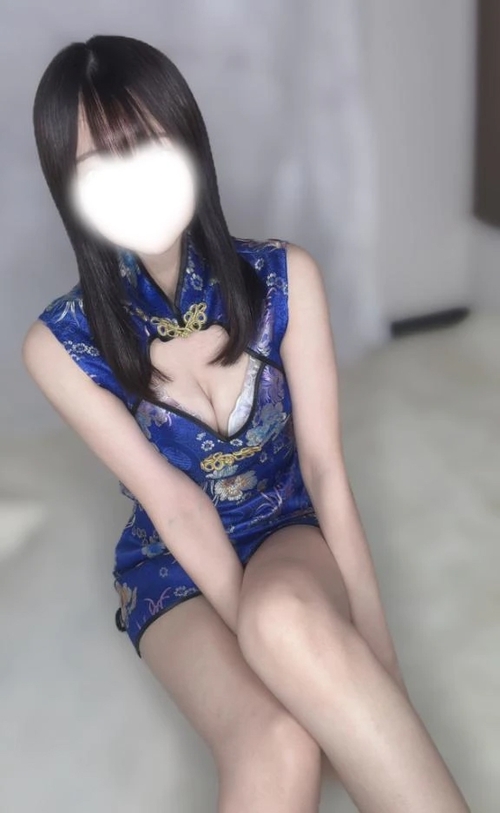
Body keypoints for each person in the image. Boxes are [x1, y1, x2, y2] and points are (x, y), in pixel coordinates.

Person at [23, 34, 471, 813]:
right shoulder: (59, 344)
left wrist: (377, 657)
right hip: (168, 564)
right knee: (279, 737)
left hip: (285, 522)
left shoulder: (286, 278)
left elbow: (325, 470)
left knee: (285, 615)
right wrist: (277, 668)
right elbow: (174, 505)